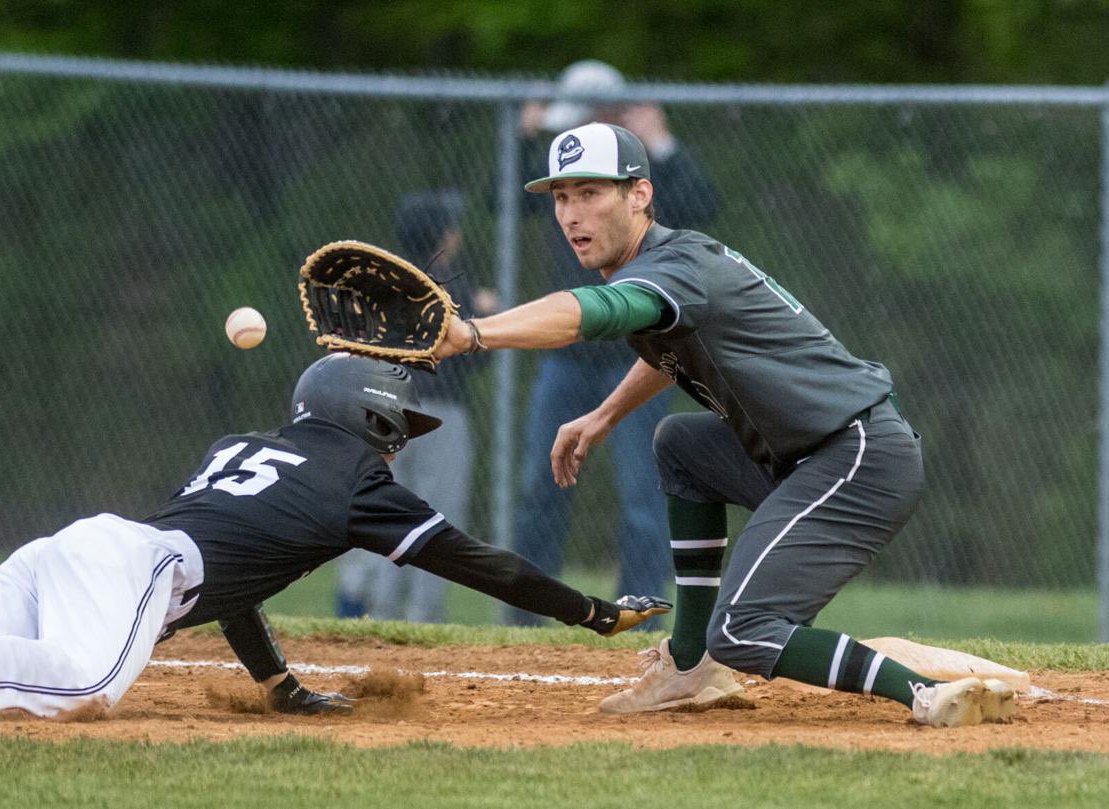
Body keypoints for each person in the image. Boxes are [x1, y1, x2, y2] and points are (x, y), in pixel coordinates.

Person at [434, 122, 1016, 727]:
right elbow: (669, 347)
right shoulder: (665, 266)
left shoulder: (673, 268)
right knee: (681, 443)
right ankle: (690, 667)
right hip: (808, 457)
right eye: (561, 197)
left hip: (857, 459)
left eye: (591, 192)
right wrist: (604, 415)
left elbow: (592, 314)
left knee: (743, 630)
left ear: (640, 195)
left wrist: (473, 334)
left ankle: (925, 694)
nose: (572, 213)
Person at [0, 353, 667, 722]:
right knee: (82, 687)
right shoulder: (356, 483)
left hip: (83, 547)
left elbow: (240, 577)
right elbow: (480, 563)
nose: (398, 447)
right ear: (370, 421)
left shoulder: (243, 444)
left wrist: (278, 684)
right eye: (396, 429)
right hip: (139, 566)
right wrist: (590, 612)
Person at [506, 59, 718, 626]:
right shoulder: (565, 174)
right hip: (566, 359)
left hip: (640, 358)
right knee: (540, 491)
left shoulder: (636, 179)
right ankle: (526, 614)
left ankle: (639, 611)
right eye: (564, 198)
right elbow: (501, 203)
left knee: (645, 498)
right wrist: (526, 138)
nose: (573, 211)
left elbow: (703, 204)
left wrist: (663, 144)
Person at [334, 190, 498, 623]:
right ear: (442, 235)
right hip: (441, 415)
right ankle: (423, 615)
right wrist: (486, 312)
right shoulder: (452, 288)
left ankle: (371, 608)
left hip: (379, 412)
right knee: (436, 517)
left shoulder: (380, 283)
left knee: (378, 509)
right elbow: (477, 358)